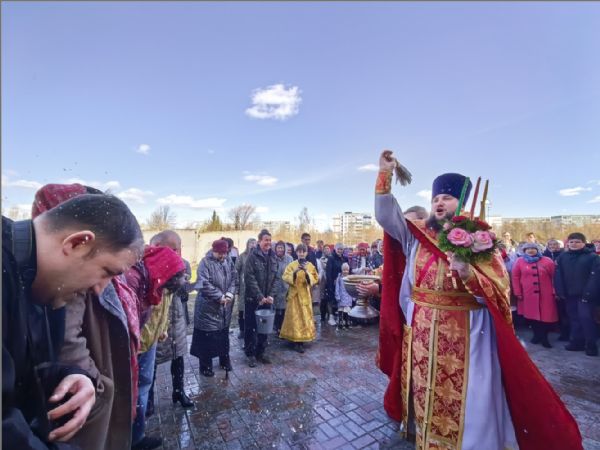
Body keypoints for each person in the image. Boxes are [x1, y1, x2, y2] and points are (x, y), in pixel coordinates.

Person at [375, 150, 581, 450]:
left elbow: (499, 291)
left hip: (467, 333)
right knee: (425, 388)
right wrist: (384, 173)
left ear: (461, 204)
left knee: (468, 397)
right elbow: (386, 216)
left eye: (446, 198)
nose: (439, 203)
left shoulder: (480, 241)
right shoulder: (416, 237)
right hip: (422, 332)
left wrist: (468, 273)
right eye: (435, 199)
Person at [3, 193, 143, 449]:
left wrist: (72, 375)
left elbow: (19, 376)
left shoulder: (42, 286)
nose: (100, 289)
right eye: (106, 272)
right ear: (77, 243)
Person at [126, 246, 185, 450]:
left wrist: (162, 328)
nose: (165, 293)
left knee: (143, 386)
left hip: (149, 343)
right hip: (132, 347)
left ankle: (137, 436)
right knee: (128, 393)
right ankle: (124, 439)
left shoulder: (165, 279)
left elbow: (164, 308)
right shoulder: (135, 280)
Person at [150, 231, 194, 409]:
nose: (178, 253)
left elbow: (184, 294)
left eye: (179, 248)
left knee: (178, 356)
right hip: (156, 322)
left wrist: (184, 284)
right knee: (151, 361)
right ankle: (148, 398)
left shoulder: (183, 264)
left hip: (177, 318)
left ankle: (179, 391)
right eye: (174, 249)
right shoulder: (148, 265)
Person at [191, 239, 237, 377]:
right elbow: (203, 283)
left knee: (223, 334)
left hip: (224, 307)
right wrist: (219, 296)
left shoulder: (228, 260)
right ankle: (205, 366)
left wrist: (229, 294)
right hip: (208, 308)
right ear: (214, 251)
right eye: (220, 253)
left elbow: (234, 278)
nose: (223, 256)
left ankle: (224, 360)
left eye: (225, 253)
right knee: (207, 338)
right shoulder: (205, 263)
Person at [554, 232, 600, 356]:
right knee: (574, 319)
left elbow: (595, 277)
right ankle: (577, 342)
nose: (574, 244)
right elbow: (558, 275)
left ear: (584, 243)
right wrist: (560, 291)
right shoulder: (563, 257)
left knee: (587, 320)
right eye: (572, 242)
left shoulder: (592, 257)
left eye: (577, 242)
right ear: (568, 243)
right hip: (569, 295)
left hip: (586, 295)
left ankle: (591, 345)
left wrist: (589, 293)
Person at [511, 243, 558, 348]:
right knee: (532, 317)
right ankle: (537, 335)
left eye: (533, 248)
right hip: (528, 294)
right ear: (524, 251)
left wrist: (555, 291)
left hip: (546, 294)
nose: (530, 250)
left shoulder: (547, 261)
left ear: (538, 250)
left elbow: (554, 277)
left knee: (546, 317)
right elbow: (515, 277)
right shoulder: (519, 261)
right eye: (528, 249)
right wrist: (518, 292)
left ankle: (544, 337)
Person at [243, 229, 277, 367]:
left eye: (269, 240)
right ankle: (250, 354)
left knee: (264, 327)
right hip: (253, 299)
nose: (268, 242)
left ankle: (261, 352)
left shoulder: (273, 257)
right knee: (251, 327)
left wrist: (271, 295)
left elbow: (276, 278)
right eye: (265, 240)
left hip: (267, 300)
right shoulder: (252, 257)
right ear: (259, 241)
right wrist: (259, 296)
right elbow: (249, 278)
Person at [280, 244, 319, 353]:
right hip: (294, 296)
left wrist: (306, 272)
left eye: (303, 251)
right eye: (299, 251)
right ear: (296, 252)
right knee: (293, 318)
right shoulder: (292, 265)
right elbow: (285, 276)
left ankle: (301, 340)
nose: (301, 253)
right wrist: (295, 272)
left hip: (305, 295)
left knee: (304, 318)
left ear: (306, 253)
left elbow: (315, 278)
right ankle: (293, 339)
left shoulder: (310, 265)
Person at [235, 238, 257, 340]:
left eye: (254, 243)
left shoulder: (258, 257)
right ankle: (242, 330)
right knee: (242, 309)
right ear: (247, 245)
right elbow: (236, 270)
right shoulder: (242, 256)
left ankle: (253, 330)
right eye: (251, 243)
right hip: (243, 287)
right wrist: (237, 286)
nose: (253, 245)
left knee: (253, 310)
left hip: (255, 287)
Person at [272, 240, 293, 334]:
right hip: (275, 287)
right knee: (276, 309)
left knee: (285, 309)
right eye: (278, 247)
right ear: (275, 248)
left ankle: (285, 328)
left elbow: (292, 271)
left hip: (286, 286)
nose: (280, 249)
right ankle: (277, 327)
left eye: (281, 248)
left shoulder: (289, 259)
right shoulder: (273, 258)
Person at [324, 243, 347, 325]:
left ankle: (338, 316)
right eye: (338, 249)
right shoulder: (331, 258)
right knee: (331, 299)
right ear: (335, 249)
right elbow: (328, 272)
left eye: (341, 249)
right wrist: (330, 284)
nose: (340, 251)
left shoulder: (344, 259)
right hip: (332, 282)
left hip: (341, 283)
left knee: (339, 299)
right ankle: (331, 316)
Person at [335, 263, 354, 330]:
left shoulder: (350, 278)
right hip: (341, 297)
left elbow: (352, 288)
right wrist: (337, 296)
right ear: (342, 270)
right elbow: (337, 288)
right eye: (344, 270)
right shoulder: (339, 278)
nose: (345, 271)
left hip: (348, 297)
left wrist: (353, 296)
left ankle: (347, 323)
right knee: (341, 311)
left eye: (347, 270)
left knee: (347, 311)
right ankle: (341, 323)